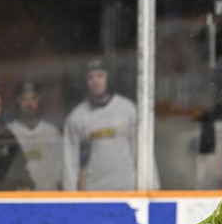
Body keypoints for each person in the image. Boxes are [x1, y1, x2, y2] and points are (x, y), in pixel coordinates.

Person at [62, 59, 159, 191]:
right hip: (95, 192)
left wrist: (152, 187)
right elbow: (70, 162)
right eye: (90, 77)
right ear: (85, 82)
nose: (96, 81)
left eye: (100, 76)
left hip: (129, 189)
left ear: (108, 78)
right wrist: (70, 197)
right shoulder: (76, 118)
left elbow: (142, 151)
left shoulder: (128, 109)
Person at [7, 81, 63, 190]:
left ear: (39, 100)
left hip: (50, 198)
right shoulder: (10, 133)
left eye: (33, 98)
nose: (29, 103)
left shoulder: (51, 132)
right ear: (18, 101)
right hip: (23, 201)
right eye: (25, 99)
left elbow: (61, 169)